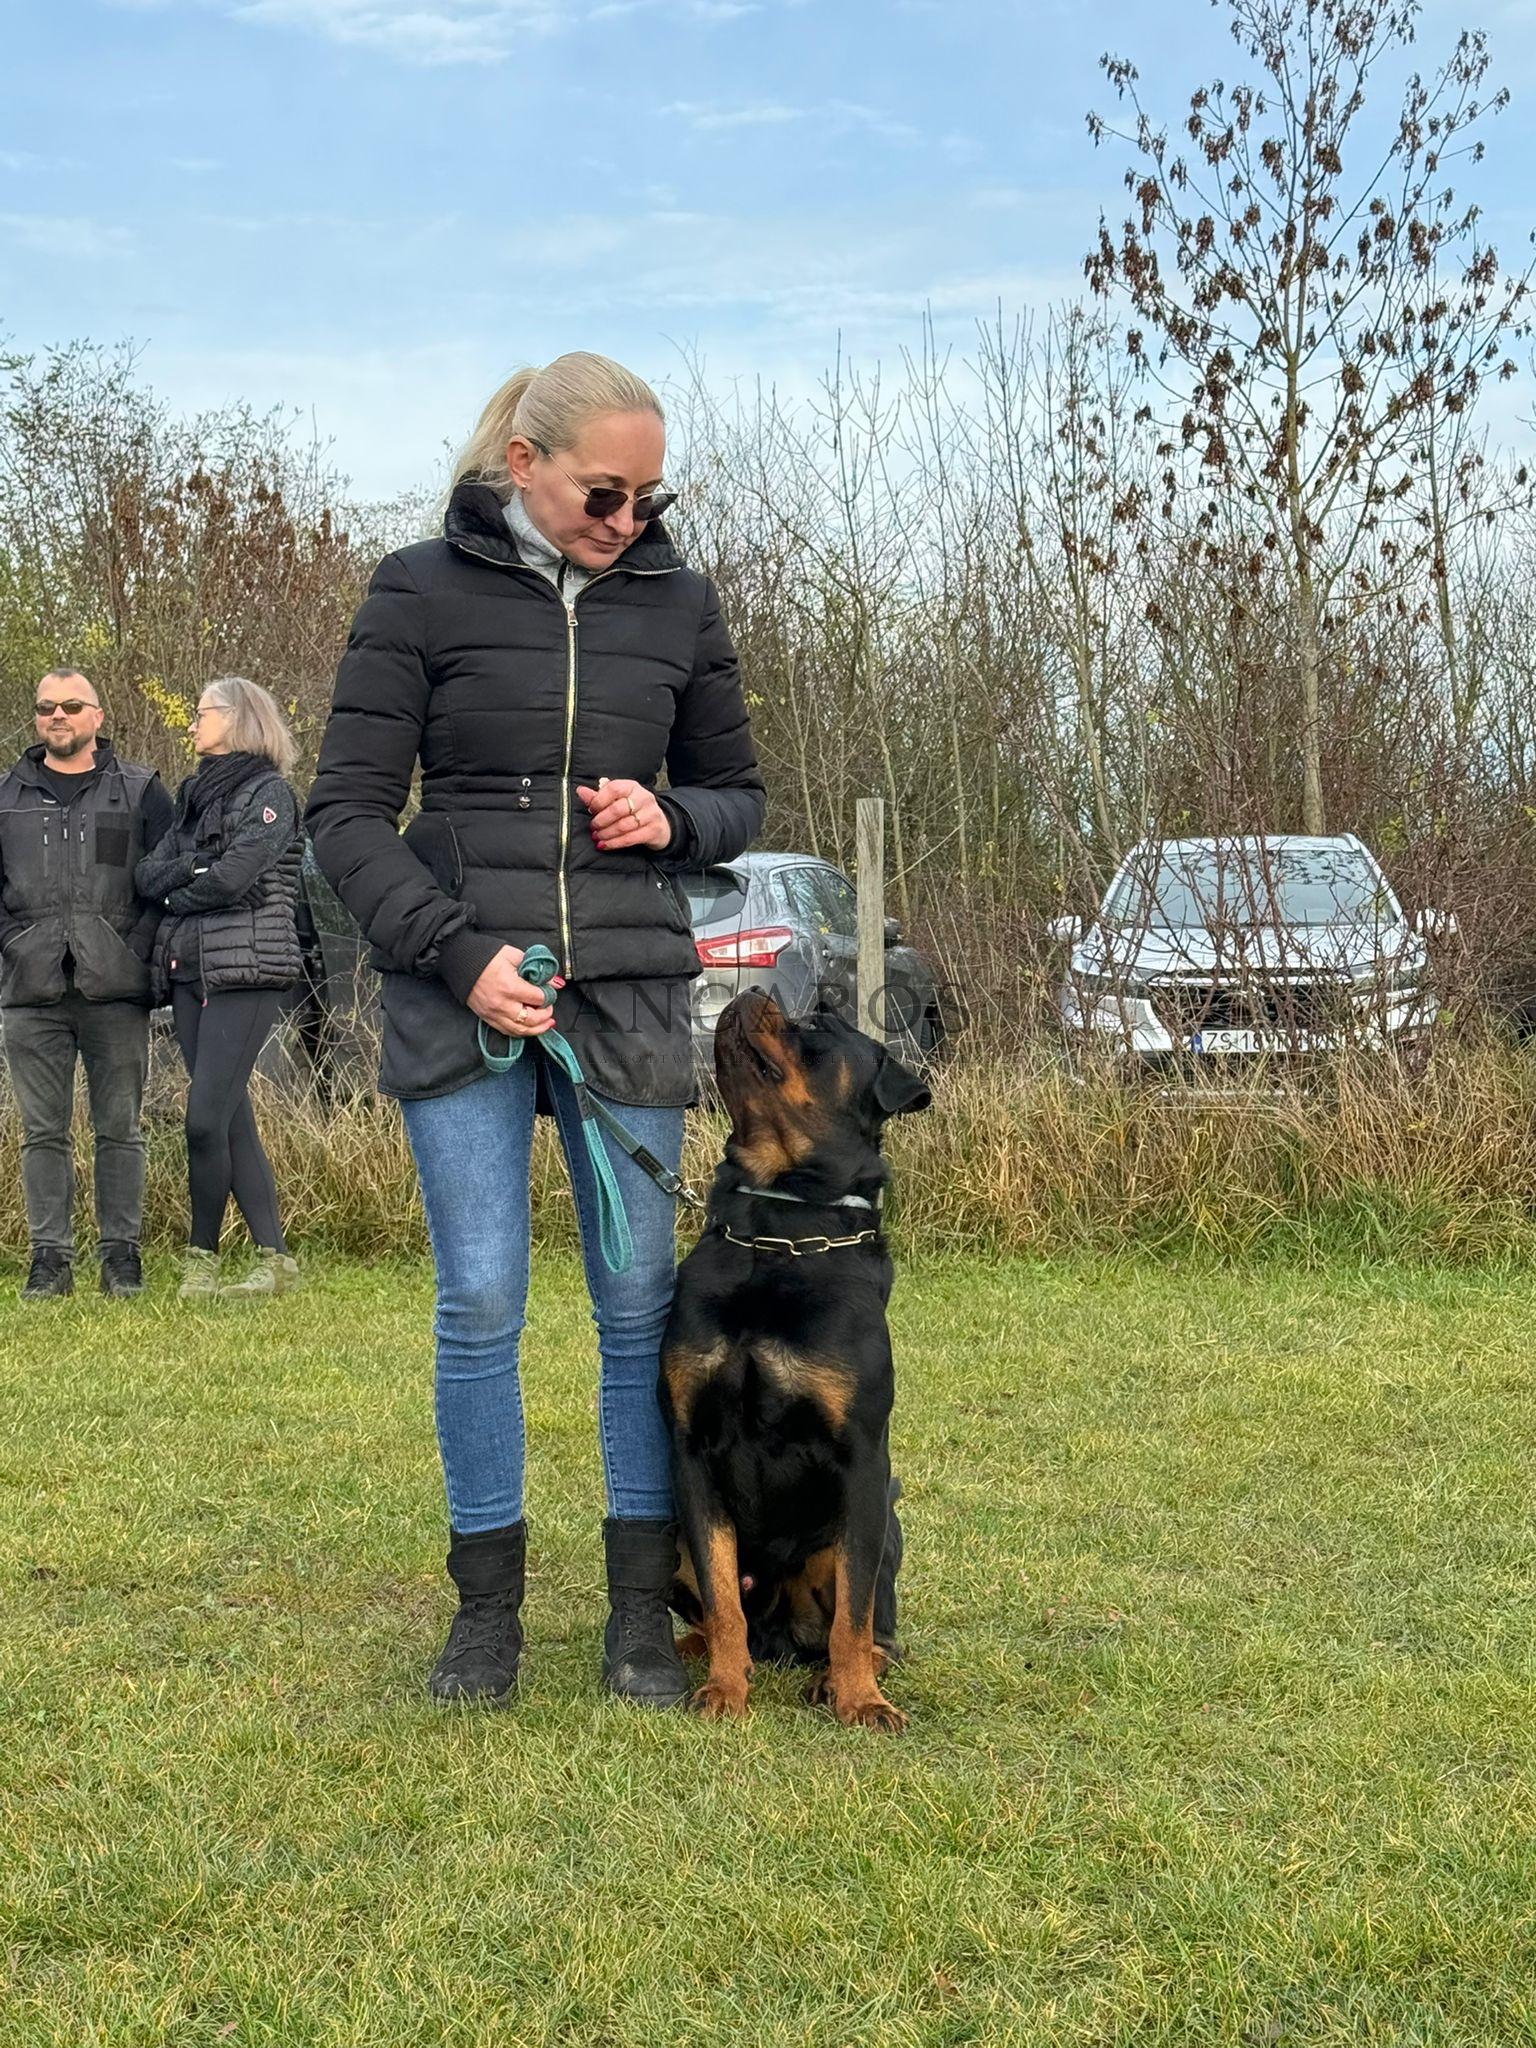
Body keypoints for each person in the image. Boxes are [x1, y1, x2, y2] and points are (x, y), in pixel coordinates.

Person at [306, 352, 764, 1710]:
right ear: (525, 464)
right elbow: (341, 817)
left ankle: (636, 1622)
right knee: (481, 1302)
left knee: (638, 1309)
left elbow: (737, 794)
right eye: (603, 493)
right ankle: (485, 1621)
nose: (627, 523)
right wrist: (459, 957)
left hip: (624, 994)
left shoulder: (681, 602)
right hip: (466, 999)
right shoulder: (414, 591)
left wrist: (672, 820)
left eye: (648, 496)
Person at [0, 669, 174, 1299]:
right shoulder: (5, 796)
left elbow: (167, 882)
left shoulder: (142, 791)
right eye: (46, 707)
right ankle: (50, 1260)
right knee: (41, 1131)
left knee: (120, 1129)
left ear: (98, 717)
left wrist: (138, 951)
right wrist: (13, 948)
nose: (58, 716)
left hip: (115, 989)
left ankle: (120, 1258)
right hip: (31, 993)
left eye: (72, 706)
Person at [136, 676, 303, 1301]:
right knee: (230, 1119)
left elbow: (234, 879)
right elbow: (147, 873)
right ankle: (275, 1262)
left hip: (248, 971)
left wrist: (185, 884)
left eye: (203, 713)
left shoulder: (270, 795)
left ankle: (200, 1263)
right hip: (188, 970)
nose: (193, 723)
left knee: (203, 1120)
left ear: (238, 719)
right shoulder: (193, 798)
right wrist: (190, 872)